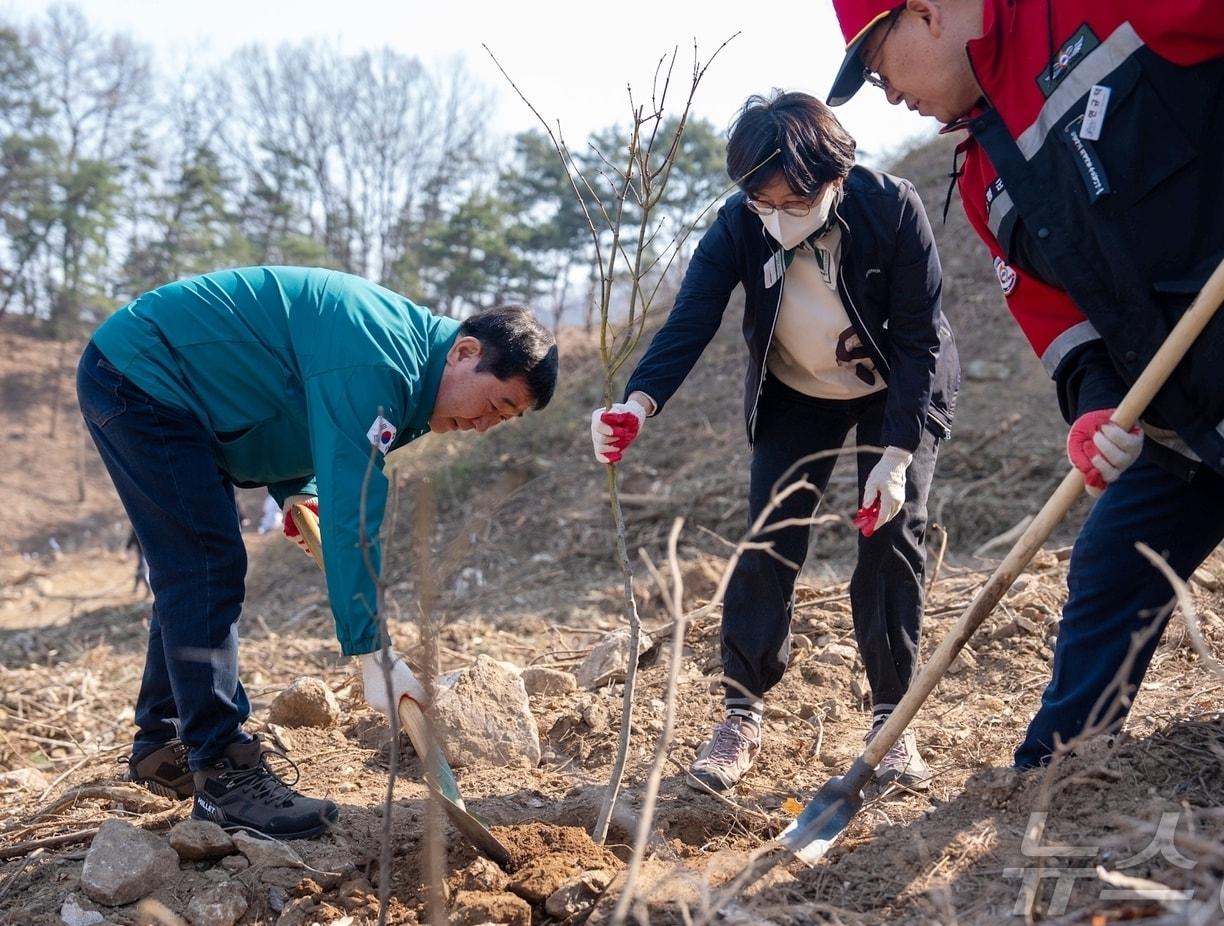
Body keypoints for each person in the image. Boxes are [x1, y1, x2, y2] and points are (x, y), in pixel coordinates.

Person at [825, 0, 1224, 776]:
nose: (884, 92)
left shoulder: (1090, 7)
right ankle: (1053, 771)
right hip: (1185, 401)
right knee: (1109, 560)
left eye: (874, 62)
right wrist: (1095, 406)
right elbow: (1061, 324)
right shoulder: (984, 176)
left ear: (924, 13)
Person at [78, 266, 558, 838]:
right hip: (144, 373)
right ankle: (223, 774)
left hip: (172, 384)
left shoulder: (410, 375)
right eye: (494, 403)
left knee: (196, 567)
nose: (483, 425)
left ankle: (164, 743)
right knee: (205, 566)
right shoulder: (381, 359)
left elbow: (301, 410)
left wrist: (297, 492)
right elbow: (356, 506)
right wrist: (373, 649)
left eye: (502, 421)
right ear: (466, 351)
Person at [590, 91, 959, 794]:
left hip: (894, 391)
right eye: (763, 202)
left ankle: (892, 719)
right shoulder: (740, 224)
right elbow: (691, 317)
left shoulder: (893, 209)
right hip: (798, 392)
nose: (776, 219)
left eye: (795, 203)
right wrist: (637, 403)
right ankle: (741, 712)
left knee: (890, 538)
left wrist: (899, 455)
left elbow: (920, 339)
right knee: (769, 536)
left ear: (835, 179)